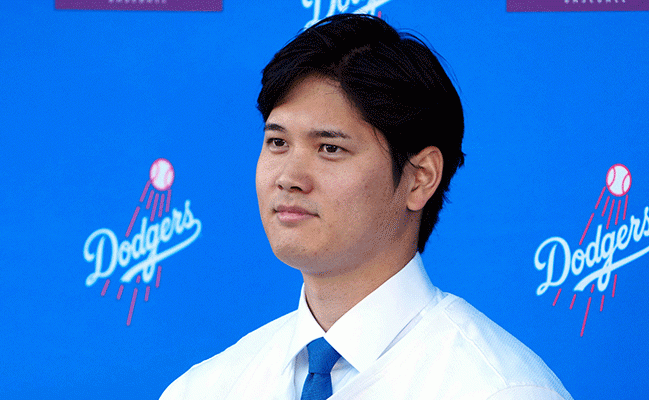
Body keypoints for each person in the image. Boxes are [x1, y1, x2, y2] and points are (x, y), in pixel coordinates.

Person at [160, 14, 572, 400]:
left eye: (330, 148)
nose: (288, 177)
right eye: (277, 142)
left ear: (420, 177)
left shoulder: (500, 389)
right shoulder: (206, 388)